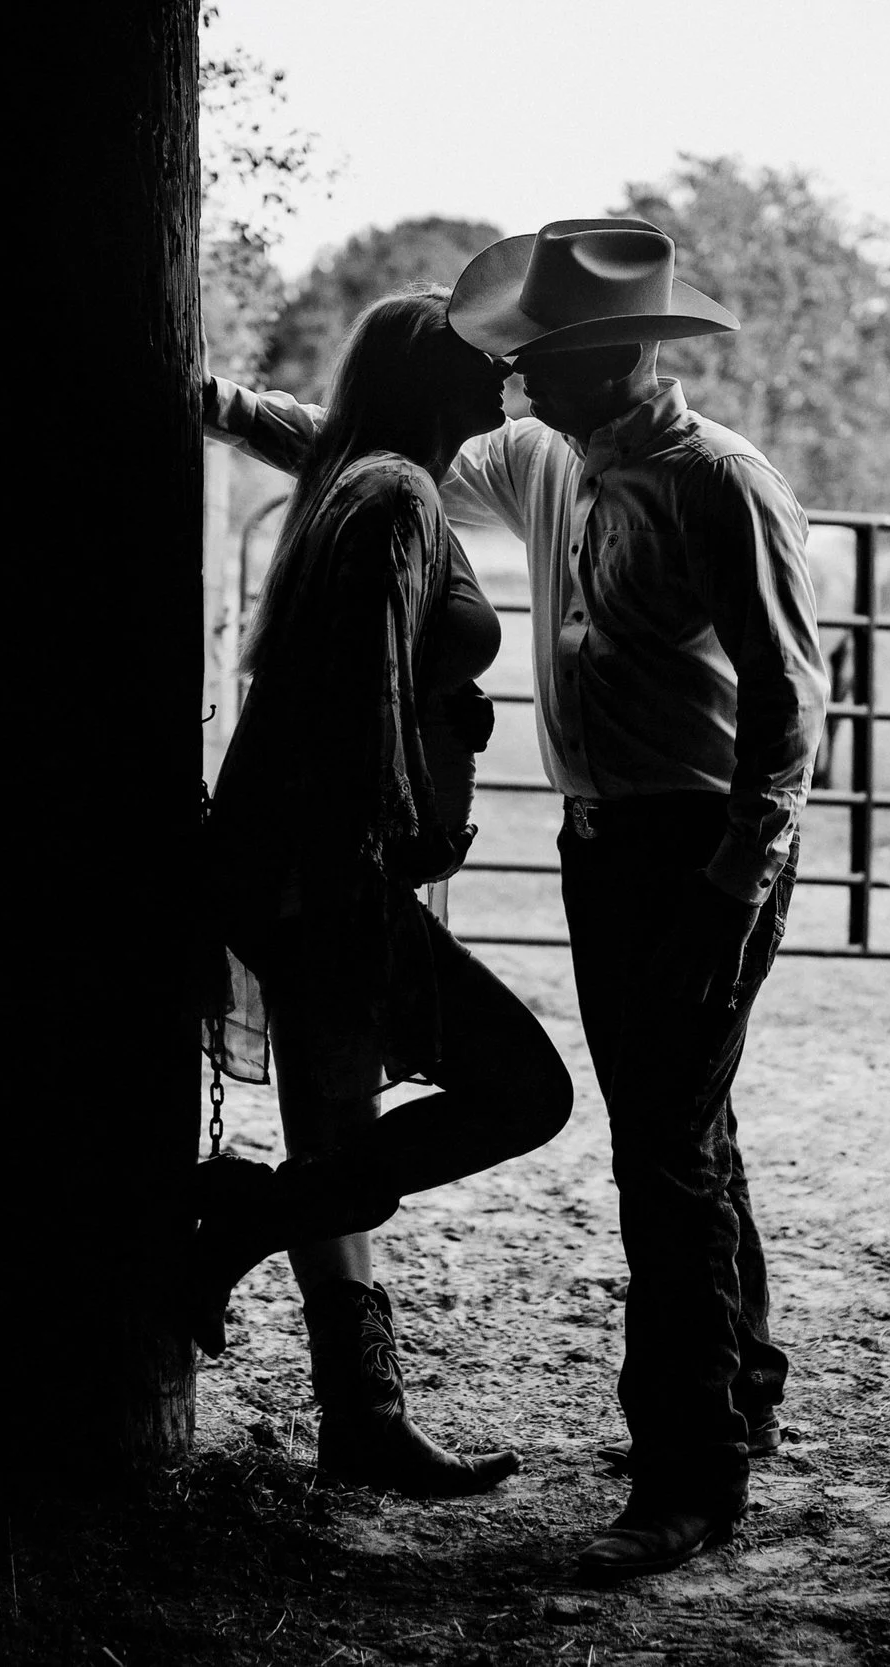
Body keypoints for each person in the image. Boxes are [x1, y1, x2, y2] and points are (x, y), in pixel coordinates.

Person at [207, 220, 827, 1579]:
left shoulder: (720, 482)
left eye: (544, 353)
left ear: (620, 353)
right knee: (684, 1125)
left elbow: (790, 696)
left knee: (662, 1151)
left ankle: (688, 1473)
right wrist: (216, 401)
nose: (518, 373)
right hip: (603, 846)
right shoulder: (549, 457)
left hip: (700, 847)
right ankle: (738, 1390)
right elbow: (364, 436)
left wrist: (736, 881)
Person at [194, 288, 575, 1500]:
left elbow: (370, 673)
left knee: (336, 1123)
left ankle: (360, 1416)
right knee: (524, 1090)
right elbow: (355, 690)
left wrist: (440, 709)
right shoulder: (397, 496)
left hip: (300, 858)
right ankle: (244, 1225)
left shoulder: (367, 477)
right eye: (475, 361)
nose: (499, 376)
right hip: (331, 868)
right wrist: (377, 849)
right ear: (427, 380)